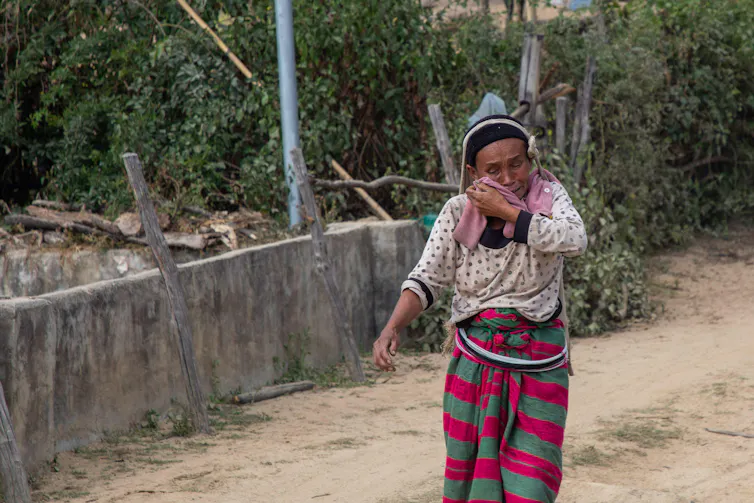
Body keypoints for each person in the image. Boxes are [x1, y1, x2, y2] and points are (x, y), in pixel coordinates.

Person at [373, 115, 587, 503]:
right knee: (472, 482)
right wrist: (391, 327)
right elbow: (427, 278)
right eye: (493, 170)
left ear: (530, 159)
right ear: (473, 172)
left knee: (532, 485)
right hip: (476, 363)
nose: (507, 179)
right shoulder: (456, 213)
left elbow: (575, 240)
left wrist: (510, 214)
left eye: (516, 164)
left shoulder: (550, 198)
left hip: (539, 361)